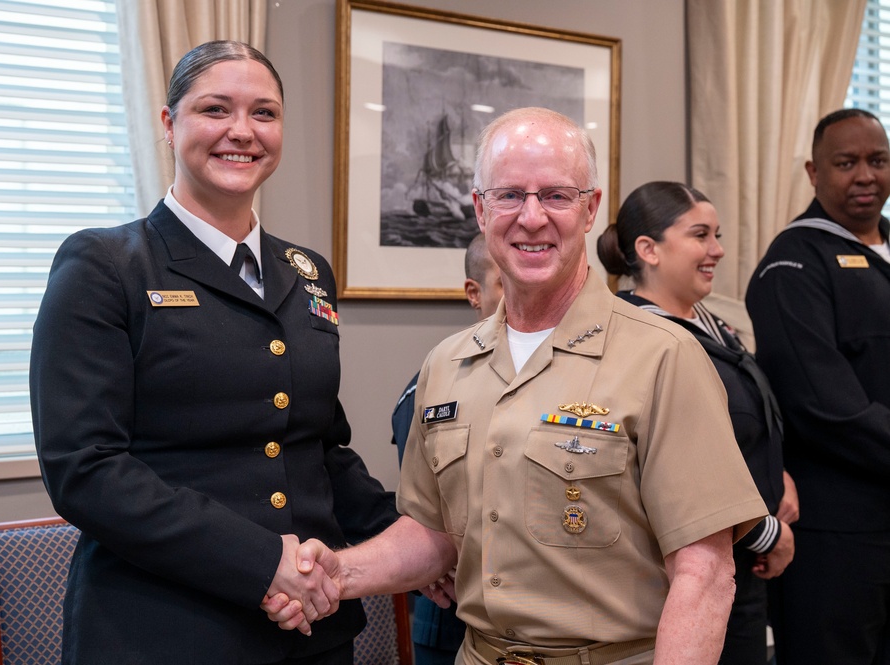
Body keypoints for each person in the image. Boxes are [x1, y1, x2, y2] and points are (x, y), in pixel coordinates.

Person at [267, 107, 767, 664]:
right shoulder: (447, 365)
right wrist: (342, 571)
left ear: (589, 209)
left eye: (556, 195)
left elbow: (705, 573)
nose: (532, 218)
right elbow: (434, 536)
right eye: (509, 196)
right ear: (480, 210)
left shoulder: (664, 357)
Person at [29, 40, 397, 665]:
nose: (242, 132)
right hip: (164, 631)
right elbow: (85, 470)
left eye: (264, 113)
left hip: (310, 630)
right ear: (170, 125)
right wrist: (263, 563)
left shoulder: (308, 272)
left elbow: (318, 449)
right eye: (215, 109)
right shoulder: (104, 265)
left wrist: (407, 540)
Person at [596, 181, 796, 664]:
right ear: (649, 250)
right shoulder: (638, 338)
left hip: (741, 564)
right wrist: (766, 531)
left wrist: (777, 475)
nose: (718, 250)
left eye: (718, 235)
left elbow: (740, 423)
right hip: (684, 573)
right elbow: (672, 471)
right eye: (701, 235)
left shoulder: (712, 324)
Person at [745, 107, 890, 665]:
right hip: (839, 536)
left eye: (877, 160)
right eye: (845, 162)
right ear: (813, 172)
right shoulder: (794, 264)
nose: (864, 175)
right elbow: (827, 408)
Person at [390, 232, 502, 665]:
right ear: (474, 293)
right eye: (502, 280)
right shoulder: (435, 386)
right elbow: (429, 513)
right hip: (453, 618)